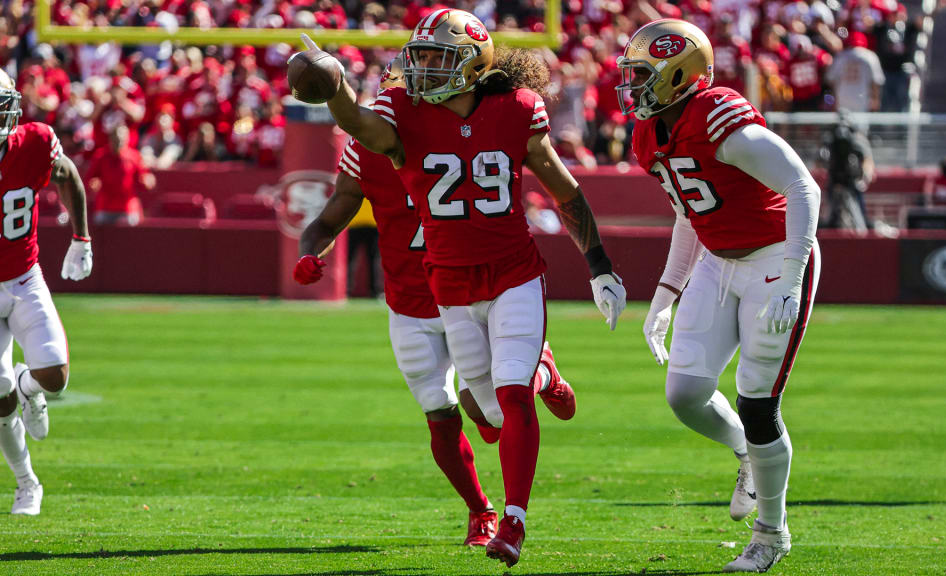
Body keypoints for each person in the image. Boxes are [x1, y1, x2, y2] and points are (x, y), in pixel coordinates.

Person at [293, 9, 627, 567]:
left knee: (513, 397)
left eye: (435, 58)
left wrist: (599, 263)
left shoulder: (517, 110)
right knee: (490, 415)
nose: (420, 68)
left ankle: (513, 521)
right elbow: (356, 125)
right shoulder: (399, 115)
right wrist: (334, 85)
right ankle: (544, 370)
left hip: (514, 272)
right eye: (418, 56)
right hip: (446, 284)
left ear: (472, 64)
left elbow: (563, 189)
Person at [617, 19, 820, 573]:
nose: (631, 85)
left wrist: (795, 274)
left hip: (775, 257)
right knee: (685, 393)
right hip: (717, 259)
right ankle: (746, 455)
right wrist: (666, 291)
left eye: (642, 75)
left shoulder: (717, 115)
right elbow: (690, 211)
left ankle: (771, 534)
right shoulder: (648, 132)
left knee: (758, 400)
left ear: (679, 75)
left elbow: (804, 186)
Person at [0, 69, 93, 515]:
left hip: (23, 277)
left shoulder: (33, 141)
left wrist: (82, 238)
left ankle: (28, 383)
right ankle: (26, 483)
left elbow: (68, 173)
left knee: (54, 377)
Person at [85, 124, 155, 226]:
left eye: (122, 139)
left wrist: (147, 180)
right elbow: (90, 178)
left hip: (128, 207)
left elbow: (144, 177)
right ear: (110, 138)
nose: (119, 142)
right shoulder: (101, 156)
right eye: (116, 139)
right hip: (105, 206)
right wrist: (93, 184)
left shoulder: (134, 157)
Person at [820, 110, 874, 231]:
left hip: (851, 181)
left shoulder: (856, 139)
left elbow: (866, 159)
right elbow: (821, 159)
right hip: (834, 179)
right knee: (829, 214)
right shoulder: (830, 139)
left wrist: (864, 176)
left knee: (860, 215)